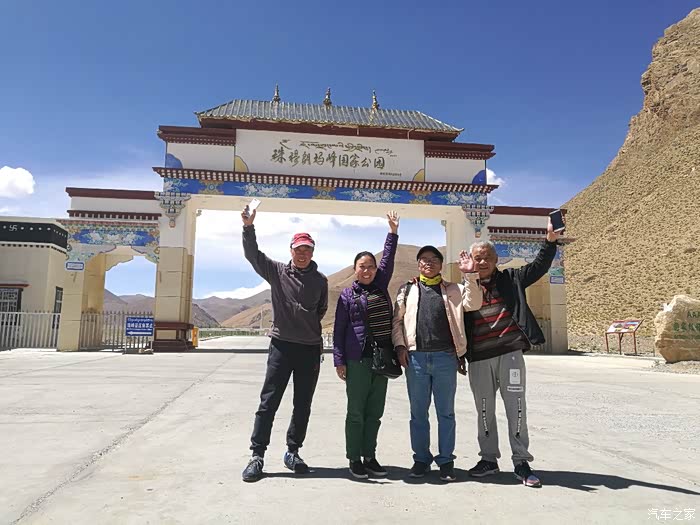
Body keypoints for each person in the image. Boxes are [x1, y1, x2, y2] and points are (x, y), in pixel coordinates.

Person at [464, 219, 563, 488]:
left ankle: (521, 461)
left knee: (516, 408)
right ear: (471, 261)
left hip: (510, 356)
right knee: (484, 410)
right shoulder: (467, 288)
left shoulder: (512, 279)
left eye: (487, 257)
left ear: (496, 260)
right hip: (479, 359)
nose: (482, 262)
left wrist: (550, 241)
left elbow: (539, 266)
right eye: (477, 258)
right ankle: (488, 459)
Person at [240, 205, 329, 483]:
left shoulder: (320, 281)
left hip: (309, 349)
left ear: (312, 252)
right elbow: (253, 255)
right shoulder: (277, 271)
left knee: (303, 404)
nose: (302, 253)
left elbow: (321, 310)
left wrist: (305, 327)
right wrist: (248, 227)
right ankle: (257, 455)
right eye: (298, 249)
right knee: (269, 402)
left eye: (307, 249)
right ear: (291, 250)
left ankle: (293, 452)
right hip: (282, 346)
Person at [392, 245, 481, 481]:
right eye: (423, 259)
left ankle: (446, 461)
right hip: (416, 359)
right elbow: (397, 321)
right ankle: (421, 460)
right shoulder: (407, 290)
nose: (428, 263)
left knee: (446, 413)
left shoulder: (455, 289)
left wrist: (470, 274)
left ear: (441, 264)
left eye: (433, 259)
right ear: (418, 264)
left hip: (445, 358)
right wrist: (400, 346)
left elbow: (474, 304)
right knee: (418, 414)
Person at [333, 211, 400, 479]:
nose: (367, 270)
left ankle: (370, 456)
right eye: (362, 266)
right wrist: (339, 360)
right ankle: (354, 458)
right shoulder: (347, 295)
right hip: (357, 359)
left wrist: (392, 233)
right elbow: (339, 330)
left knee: (375, 412)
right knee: (356, 412)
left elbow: (388, 259)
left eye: (371, 266)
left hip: (382, 358)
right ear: (355, 269)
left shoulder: (380, 285)